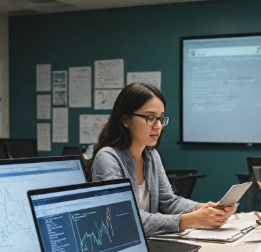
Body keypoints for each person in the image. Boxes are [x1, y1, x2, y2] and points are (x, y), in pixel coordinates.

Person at [90, 83, 236, 235]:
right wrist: (191, 219)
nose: (158, 126)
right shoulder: (107, 158)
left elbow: (168, 201)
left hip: (151, 243)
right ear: (125, 119)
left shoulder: (151, 155)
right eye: (150, 117)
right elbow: (124, 218)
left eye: (160, 118)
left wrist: (203, 209)